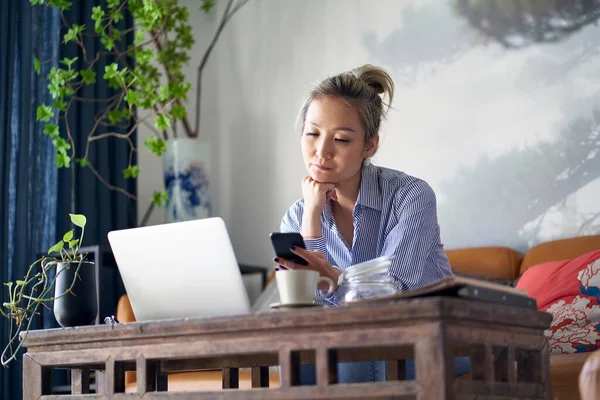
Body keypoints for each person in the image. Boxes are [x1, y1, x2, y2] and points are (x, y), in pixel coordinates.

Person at [275, 64, 471, 383]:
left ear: (370, 145)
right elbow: (302, 310)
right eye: (312, 133)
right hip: (351, 345)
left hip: (433, 343)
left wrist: (335, 281)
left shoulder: (411, 197)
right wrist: (312, 217)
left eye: (340, 139)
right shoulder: (296, 215)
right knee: (297, 361)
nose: (321, 151)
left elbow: (393, 289)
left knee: (354, 353)